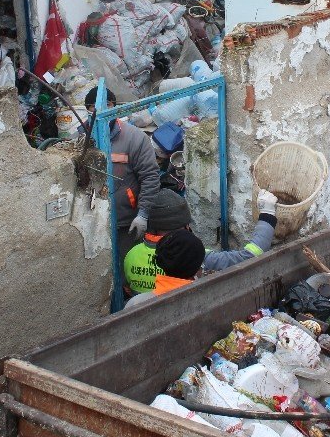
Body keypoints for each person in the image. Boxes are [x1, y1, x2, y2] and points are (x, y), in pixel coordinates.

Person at [124, 189, 278, 308]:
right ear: (185, 226)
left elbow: (130, 292)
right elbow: (251, 255)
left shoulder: (131, 255)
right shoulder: (193, 255)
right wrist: (268, 214)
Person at [84, 87, 160, 264]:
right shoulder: (82, 136)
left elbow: (150, 177)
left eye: (107, 105)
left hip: (126, 222)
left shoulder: (134, 138)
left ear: (114, 106)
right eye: (91, 107)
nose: (98, 111)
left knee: (126, 266)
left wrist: (143, 214)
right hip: (93, 221)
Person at [122, 189, 190, 295]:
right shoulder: (190, 253)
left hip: (138, 308)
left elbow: (127, 288)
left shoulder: (131, 254)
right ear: (185, 226)